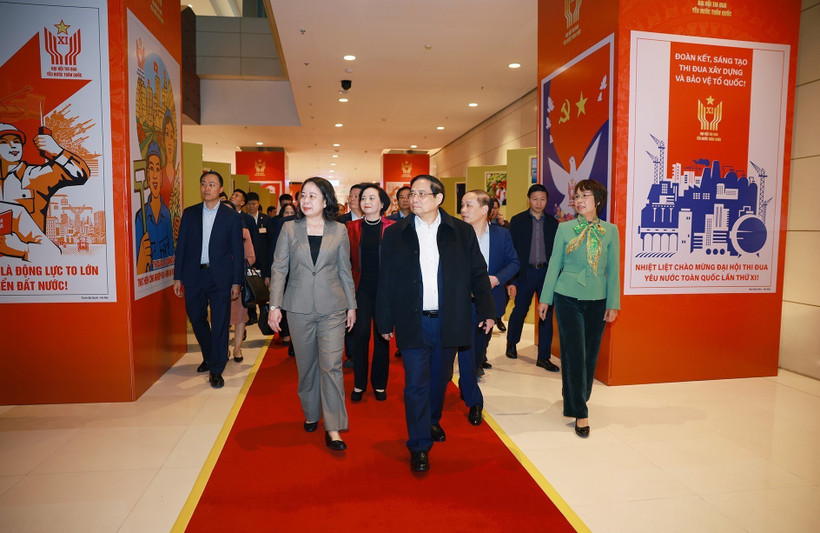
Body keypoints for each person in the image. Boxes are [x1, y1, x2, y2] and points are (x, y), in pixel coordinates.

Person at [376, 174, 495, 472]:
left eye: (421, 194)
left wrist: (488, 311)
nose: (414, 199)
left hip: (449, 320)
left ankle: (430, 421)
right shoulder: (395, 234)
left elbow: (478, 274)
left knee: (440, 380)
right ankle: (419, 445)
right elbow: (385, 280)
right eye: (411, 194)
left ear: (438, 198)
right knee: (415, 384)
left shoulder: (461, 232)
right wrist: (385, 320)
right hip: (413, 320)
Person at [268, 177, 357, 451]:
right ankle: (311, 413)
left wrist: (351, 305)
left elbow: (345, 269)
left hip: (333, 307)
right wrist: (274, 306)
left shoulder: (339, 230)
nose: (305, 201)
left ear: (326, 200)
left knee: (330, 366)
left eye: (312, 196)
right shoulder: (289, 229)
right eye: (303, 195)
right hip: (298, 306)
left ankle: (333, 428)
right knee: (306, 366)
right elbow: (279, 268)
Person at [538, 179, 619, 438]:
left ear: (597, 201)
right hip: (567, 296)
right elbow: (554, 265)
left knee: (589, 354)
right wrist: (545, 298)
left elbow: (613, 270)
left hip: (597, 298)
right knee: (573, 353)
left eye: (586, 195)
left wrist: (613, 304)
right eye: (577, 195)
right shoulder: (565, 229)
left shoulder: (611, 231)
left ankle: (576, 395)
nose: (580, 200)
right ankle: (580, 411)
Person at [173, 171, 243, 389]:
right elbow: (181, 247)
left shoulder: (231, 216)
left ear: (221, 189)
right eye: (203, 184)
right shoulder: (190, 213)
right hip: (195, 276)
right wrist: (178, 277)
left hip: (220, 276)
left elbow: (237, 252)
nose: (206, 188)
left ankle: (216, 369)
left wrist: (236, 281)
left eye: (212, 184)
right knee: (196, 318)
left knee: (220, 322)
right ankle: (211, 354)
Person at [459, 190, 519, 390]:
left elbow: (514, 262)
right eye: (462, 205)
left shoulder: (502, 235)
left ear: (484, 209)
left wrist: (498, 278)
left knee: (480, 343)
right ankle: (467, 382)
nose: (463, 210)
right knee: (464, 343)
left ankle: (474, 369)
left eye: (468, 205)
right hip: (460, 300)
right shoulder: (455, 234)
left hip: (489, 299)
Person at [346, 185, 395, 402]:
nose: (366, 201)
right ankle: (359, 383)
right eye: (363, 198)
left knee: (382, 337)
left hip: (385, 290)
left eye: (372, 198)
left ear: (382, 204)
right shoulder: (351, 227)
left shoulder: (393, 228)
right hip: (361, 289)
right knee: (361, 335)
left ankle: (380, 384)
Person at [506, 183, 560, 372]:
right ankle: (512, 343)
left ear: (546, 200)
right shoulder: (517, 221)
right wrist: (511, 281)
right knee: (520, 310)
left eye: (542, 199)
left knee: (546, 315)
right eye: (535, 199)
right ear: (528, 199)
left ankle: (543, 357)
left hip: (546, 274)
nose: (539, 203)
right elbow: (511, 252)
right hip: (525, 274)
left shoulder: (554, 224)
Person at [0, 122, 90, 232]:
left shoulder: (35, 175)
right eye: (4, 142)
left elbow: (80, 174)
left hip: (33, 247)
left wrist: (57, 151)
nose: (12, 145)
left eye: (16, 141)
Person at [135, 141, 174, 274]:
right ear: (147, 175)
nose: (155, 175)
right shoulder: (141, 217)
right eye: (151, 169)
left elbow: (171, 254)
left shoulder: (167, 214)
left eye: (158, 169)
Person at [244, 191, 270, 325]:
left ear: (258, 203)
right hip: (249, 259)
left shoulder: (265, 219)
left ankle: (264, 313)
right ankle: (252, 315)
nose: (251, 206)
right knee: (249, 286)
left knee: (263, 287)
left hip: (263, 260)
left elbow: (270, 241)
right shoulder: (243, 219)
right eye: (248, 204)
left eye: (253, 203)